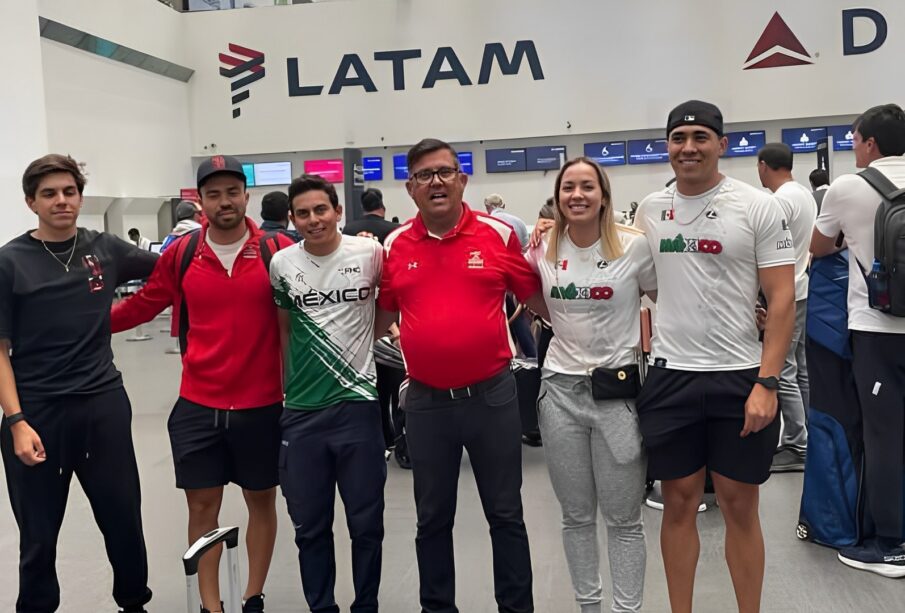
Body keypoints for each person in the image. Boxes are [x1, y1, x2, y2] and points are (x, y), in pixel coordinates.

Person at [111, 155, 295, 613]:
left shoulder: (276, 251)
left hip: (262, 403)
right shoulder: (183, 253)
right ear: (200, 202)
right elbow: (145, 303)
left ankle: (253, 595)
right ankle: (210, 605)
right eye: (214, 194)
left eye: (232, 192)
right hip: (198, 404)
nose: (224, 201)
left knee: (260, 499)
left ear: (245, 196)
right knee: (202, 508)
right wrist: (78, 325)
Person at [375, 138, 550, 613]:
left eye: (445, 172)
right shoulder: (393, 245)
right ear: (410, 188)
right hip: (428, 403)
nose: (436, 182)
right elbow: (381, 312)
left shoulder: (497, 235)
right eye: (424, 175)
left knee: (506, 514)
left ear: (463, 180)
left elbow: (536, 299)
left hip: (492, 397)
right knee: (432, 519)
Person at [633, 100, 795, 613]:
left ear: (722, 145)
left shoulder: (757, 206)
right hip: (672, 376)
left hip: (741, 377)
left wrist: (767, 384)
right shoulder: (649, 211)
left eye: (700, 137)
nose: (689, 148)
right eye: (679, 138)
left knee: (739, 505)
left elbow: (783, 297)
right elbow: (642, 282)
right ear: (668, 146)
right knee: (676, 502)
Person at [0, 154, 156, 613]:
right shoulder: (10, 263)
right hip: (37, 413)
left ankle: (134, 602)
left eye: (69, 192)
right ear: (31, 202)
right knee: (39, 530)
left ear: (80, 197)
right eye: (49, 194)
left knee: (123, 517)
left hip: (102, 405)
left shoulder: (105, 248)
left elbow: (173, 269)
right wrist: (17, 421)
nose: (61, 201)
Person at [526, 157, 655, 613]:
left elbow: (666, 299)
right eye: (568, 188)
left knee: (624, 518)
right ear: (558, 197)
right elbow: (532, 298)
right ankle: (589, 607)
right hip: (559, 393)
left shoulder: (636, 247)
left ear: (603, 194)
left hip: (617, 396)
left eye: (587, 186)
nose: (577, 195)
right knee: (577, 516)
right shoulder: (541, 247)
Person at [270, 174, 387, 613]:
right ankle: (322, 607)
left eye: (321, 210)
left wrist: (360, 352)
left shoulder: (371, 253)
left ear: (338, 211)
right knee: (310, 528)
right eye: (303, 213)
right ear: (292, 218)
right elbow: (284, 333)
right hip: (301, 414)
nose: (314, 220)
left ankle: (366, 606)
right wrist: (289, 392)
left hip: (357, 407)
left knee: (366, 525)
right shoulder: (282, 264)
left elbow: (388, 306)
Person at [811, 103, 905, 578]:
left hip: (877, 329)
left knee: (885, 435)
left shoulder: (848, 188)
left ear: (870, 143)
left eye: (853, 140)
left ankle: (892, 543)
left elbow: (819, 246)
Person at [757, 143, 817, 472]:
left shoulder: (779, 200)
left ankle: (798, 442)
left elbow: (767, 248)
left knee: (784, 368)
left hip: (785, 292)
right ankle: (807, 435)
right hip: (802, 286)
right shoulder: (803, 194)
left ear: (763, 165)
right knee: (802, 366)